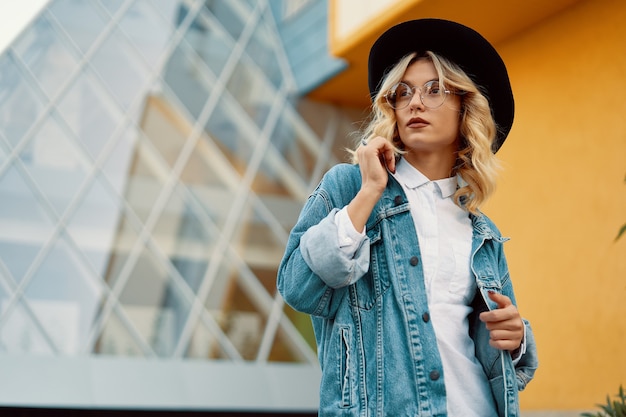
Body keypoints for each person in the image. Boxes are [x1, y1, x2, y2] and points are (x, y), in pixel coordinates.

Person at [277, 18, 538, 417]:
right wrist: (368, 194)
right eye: (402, 92)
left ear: (465, 106)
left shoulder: (482, 232)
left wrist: (517, 338)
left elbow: (509, 366)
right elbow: (297, 287)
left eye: (435, 90)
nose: (415, 102)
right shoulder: (350, 186)